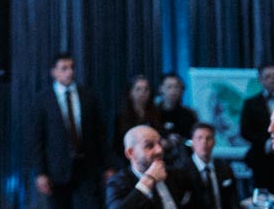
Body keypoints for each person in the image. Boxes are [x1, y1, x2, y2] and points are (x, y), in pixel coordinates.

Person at [30, 52, 109, 209]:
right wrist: (40, 173)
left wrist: (108, 165)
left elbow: (99, 134)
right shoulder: (43, 100)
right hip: (57, 169)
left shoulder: (87, 96)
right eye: (64, 68)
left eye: (71, 67)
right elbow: (36, 139)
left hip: (86, 166)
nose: (70, 72)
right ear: (54, 72)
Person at [106, 125, 197, 209]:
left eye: (160, 143)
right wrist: (149, 179)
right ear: (130, 153)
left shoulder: (176, 175)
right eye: (149, 146)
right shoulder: (117, 183)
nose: (159, 150)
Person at [242, 64, 274, 194]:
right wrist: (266, 142)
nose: (272, 79)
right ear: (260, 80)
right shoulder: (251, 103)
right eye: (268, 76)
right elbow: (245, 132)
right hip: (261, 159)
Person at [114, 76, 165, 167]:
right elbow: (116, 144)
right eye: (138, 89)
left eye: (146, 89)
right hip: (128, 161)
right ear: (130, 92)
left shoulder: (156, 113)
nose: (143, 93)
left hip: (152, 159)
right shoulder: (122, 115)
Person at [187, 123, 239, 209]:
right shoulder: (182, 171)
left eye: (208, 138)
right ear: (192, 142)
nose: (204, 142)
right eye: (199, 138)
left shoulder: (225, 168)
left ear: (214, 142)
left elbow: (233, 199)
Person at [159, 74, 199, 143]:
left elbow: (194, 139)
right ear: (161, 89)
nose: (173, 91)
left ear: (182, 90)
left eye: (176, 87)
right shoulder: (153, 113)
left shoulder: (189, 114)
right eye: (169, 87)